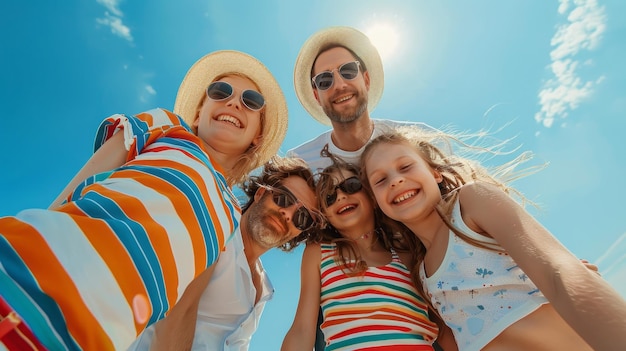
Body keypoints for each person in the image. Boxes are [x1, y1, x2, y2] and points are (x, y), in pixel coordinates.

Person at [0, 50, 288, 350]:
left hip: (81, 339)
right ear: (199, 111)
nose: (233, 102)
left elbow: (183, 311)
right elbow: (76, 188)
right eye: (221, 91)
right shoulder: (167, 127)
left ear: (257, 135)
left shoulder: (228, 216)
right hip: (20, 269)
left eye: (251, 101)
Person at [359, 126, 626, 351]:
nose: (395, 180)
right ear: (375, 203)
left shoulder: (469, 205)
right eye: (380, 180)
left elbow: (559, 271)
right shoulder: (420, 273)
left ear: (434, 172)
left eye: (405, 166)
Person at [129, 155, 320, 350]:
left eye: (302, 218)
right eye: (284, 198)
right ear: (261, 193)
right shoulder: (215, 230)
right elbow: (174, 317)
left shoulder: (264, 288)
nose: (288, 214)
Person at [281, 148, 455, 351]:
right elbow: (302, 329)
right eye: (328, 197)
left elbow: (442, 330)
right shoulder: (319, 253)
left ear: (373, 198)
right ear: (325, 216)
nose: (340, 196)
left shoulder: (407, 255)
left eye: (351, 186)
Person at [287, 26, 437, 173]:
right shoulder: (300, 163)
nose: (339, 85)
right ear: (316, 97)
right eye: (324, 80)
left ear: (366, 80)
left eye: (348, 70)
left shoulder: (420, 139)